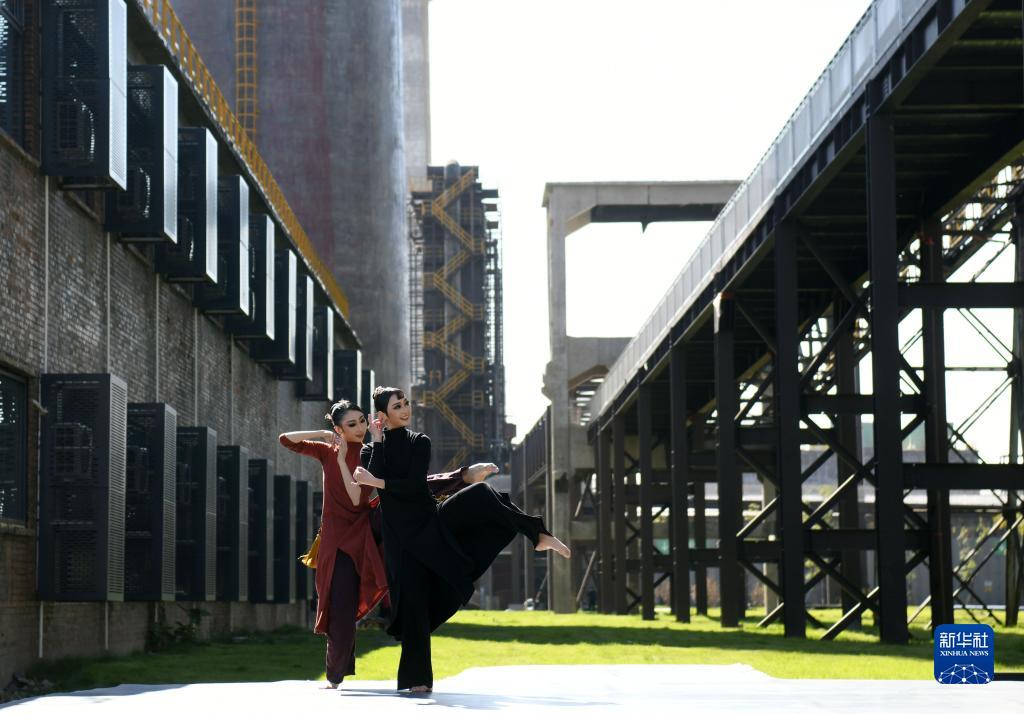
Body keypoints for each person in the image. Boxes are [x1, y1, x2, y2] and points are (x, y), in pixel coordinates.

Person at [355, 386, 570, 692]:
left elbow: (413, 486)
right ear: (382, 415)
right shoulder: (370, 450)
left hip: (430, 520)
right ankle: (418, 680)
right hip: (400, 539)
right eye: (397, 406)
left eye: (405, 403)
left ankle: (536, 533)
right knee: (414, 604)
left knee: (482, 493)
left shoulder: (419, 441)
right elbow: (375, 480)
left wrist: (376, 480)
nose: (405, 409)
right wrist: (376, 440)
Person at [279, 400, 496, 688]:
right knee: (341, 608)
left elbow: (360, 498)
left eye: (362, 421)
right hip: (337, 539)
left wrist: (349, 456)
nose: (360, 428)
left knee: (407, 491)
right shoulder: (326, 449)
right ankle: (335, 676)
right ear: (339, 429)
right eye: (352, 424)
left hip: (368, 526)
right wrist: (323, 436)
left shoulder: (370, 452)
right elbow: (286, 440)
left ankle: (464, 476)